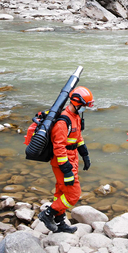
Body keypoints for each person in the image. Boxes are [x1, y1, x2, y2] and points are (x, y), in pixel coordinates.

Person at [39, 87, 94, 233]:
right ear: (76, 102)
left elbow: (78, 138)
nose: (85, 108)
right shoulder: (63, 122)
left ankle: (59, 222)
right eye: (84, 106)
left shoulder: (75, 116)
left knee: (61, 193)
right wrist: (66, 169)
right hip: (62, 162)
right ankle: (48, 214)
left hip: (72, 158)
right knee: (73, 194)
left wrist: (85, 154)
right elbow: (59, 148)